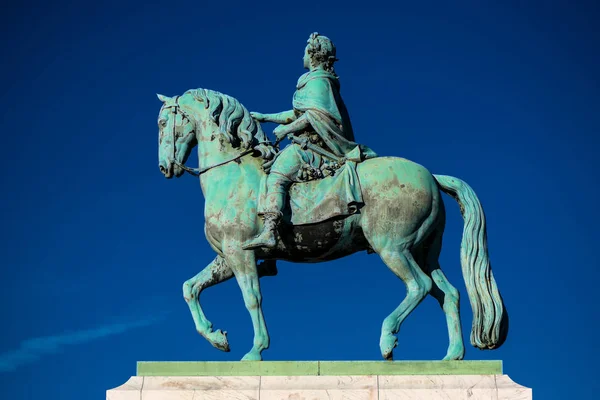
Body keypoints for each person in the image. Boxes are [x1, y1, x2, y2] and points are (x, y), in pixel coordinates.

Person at [242, 32, 377, 250]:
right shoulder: (315, 81)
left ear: (314, 55)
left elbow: (315, 117)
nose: (302, 56)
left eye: (305, 51)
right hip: (308, 144)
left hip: (315, 149)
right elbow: (299, 113)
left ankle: (269, 231)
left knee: (275, 177)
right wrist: (266, 117)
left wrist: (287, 129)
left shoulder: (319, 81)